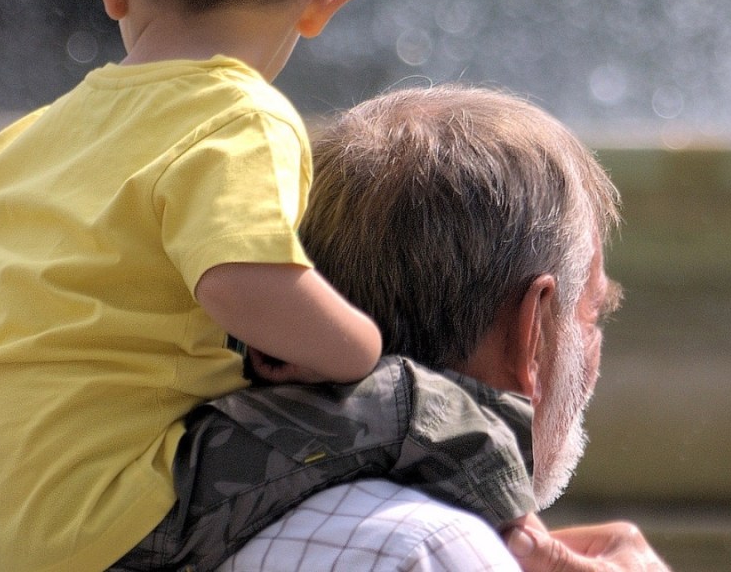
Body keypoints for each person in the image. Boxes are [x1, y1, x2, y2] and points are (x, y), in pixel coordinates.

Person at [0, 0, 382, 571]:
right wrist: (360, 349)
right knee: (409, 408)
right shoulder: (243, 118)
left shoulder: (20, 140)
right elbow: (236, 281)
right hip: (109, 515)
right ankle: (503, 537)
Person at [215, 84, 671, 571]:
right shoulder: (436, 551)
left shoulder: (185, 502)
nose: (597, 345)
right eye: (593, 314)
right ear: (533, 337)